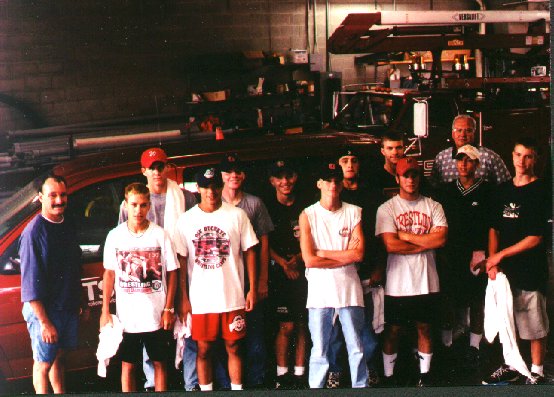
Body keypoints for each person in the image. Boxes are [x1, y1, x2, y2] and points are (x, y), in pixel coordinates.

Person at [118, 147, 198, 391]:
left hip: (181, 270)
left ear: (167, 168)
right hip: (146, 276)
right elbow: (124, 245)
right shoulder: (128, 205)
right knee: (147, 326)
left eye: (160, 166)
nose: (156, 172)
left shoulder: (186, 197)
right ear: (143, 171)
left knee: (189, 327)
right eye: (151, 167)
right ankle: (152, 384)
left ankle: (191, 382)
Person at [173, 166, 259, 391]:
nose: (211, 192)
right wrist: (183, 297)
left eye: (215, 187)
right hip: (202, 299)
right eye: (205, 187)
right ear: (198, 189)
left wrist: (252, 289)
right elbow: (181, 261)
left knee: (234, 346)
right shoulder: (186, 220)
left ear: (220, 187)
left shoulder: (237, 215)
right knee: (203, 349)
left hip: (233, 295)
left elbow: (250, 250)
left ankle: (238, 390)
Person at [482, 137, 550, 385]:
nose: (522, 161)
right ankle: (513, 365)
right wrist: (493, 261)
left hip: (530, 269)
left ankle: (537, 372)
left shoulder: (540, 190)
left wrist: (500, 255)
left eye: (528, 156)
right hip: (505, 272)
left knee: (533, 323)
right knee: (508, 320)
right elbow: (494, 229)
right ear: (511, 156)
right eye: (518, 155)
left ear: (535, 160)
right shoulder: (502, 190)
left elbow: (535, 238)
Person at [375, 157, 448, 386]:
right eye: (405, 175)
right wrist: (426, 242)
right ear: (397, 178)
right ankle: (389, 377)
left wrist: (405, 235)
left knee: (425, 327)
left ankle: (424, 377)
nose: (410, 179)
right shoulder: (387, 208)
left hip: (426, 280)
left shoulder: (433, 205)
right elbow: (391, 245)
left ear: (420, 177)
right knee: (393, 331)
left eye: (414, 174)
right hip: (398, 282)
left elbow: (441, 239)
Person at [101, 182, 178, 392]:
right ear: (125, 205)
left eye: (143, 205)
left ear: (149, 205)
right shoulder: (115, 236)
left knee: (160, 363)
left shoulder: (160, 234)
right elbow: (109, 273)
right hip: (128, 318)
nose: (138, 210)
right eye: (134, 204)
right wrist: (105, 310)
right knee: (128, 365)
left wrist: (169, 309)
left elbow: (172, 272)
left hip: (156, 315)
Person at [299, 161, 368, 389]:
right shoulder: (308, 215)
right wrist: (343, 254)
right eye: (328, 180)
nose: (333, 184)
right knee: (319, 349)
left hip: (349, 289)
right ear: (319, 183)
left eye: (337, 180)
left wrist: (324, 253)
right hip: (320, 292)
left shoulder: (354, 211)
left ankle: (361, 387)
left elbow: (358, 254)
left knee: (356, 347)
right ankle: (316, 389)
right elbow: (309, 260)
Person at [19, 174, 83, 394]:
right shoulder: (33, 233)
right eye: (52, 195)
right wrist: (45, 322)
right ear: (40, 198)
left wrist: (78, 303)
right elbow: (30, 287)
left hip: (66, 306)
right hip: (44, 311)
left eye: (63, 195)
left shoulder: (67, 223)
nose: (59, 200)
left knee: (58, 357)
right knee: (43, 364)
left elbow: (73, 268)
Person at [325, 147, 382, 388]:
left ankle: (369, 368)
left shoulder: (372, 195)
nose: (350, 165)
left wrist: (379, 266)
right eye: (344, 160)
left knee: (366, 326)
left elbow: (379, 237)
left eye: (354, 161)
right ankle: (336, 370)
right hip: (339, 271)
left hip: (366, 269)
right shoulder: (332, 197)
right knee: (336, 327)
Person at [220, 153, 274, 388]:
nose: (234, 175)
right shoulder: (211, 202)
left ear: (244, 175)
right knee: (225, 339)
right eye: (229, 171)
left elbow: (263, 245)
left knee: (254, 336)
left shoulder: (254, 203)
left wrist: (260, 282)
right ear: (222, 175)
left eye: (238, 171)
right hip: (223, 281)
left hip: (248, 281)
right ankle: (227, 383)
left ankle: (257, 381)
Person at [436, 145, 492, 363]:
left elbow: (492, 227)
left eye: (468, 160)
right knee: (448, 299)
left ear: (476, 164)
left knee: (477, 300)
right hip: (451, 254)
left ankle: (474, 346)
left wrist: (485, 253)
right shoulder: (447, 190)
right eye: (460, 160)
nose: (463, 164)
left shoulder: (486, 191)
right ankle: (446, 344)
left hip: (477, 254)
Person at [265, 159, 310, 389]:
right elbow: (264, 242)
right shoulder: (267, 207)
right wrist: (283, 263)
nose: (285, 182)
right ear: (272, 181)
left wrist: (299, 260)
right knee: (286, 326)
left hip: (303, 267)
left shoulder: (305, 205)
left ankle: (300, 374)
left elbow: (313, 237)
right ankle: (282, 375)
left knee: (302, 323)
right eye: (279, 177)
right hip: (279, 271)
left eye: (289, 176)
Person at [429, 114, 511, 186]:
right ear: (453, 134)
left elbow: (506, 186)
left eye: (468, 130)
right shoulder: (441, 158)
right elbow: (433, 189)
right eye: (459, 130)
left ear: (474, 133)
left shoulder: (490, 157)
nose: (463, 135)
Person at [372, 131, 405, 199]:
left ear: (403, 149)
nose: (395, 152)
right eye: (390, 148)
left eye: (399, 148)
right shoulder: (375, 179)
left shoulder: (413, 175)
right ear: (382, 151)